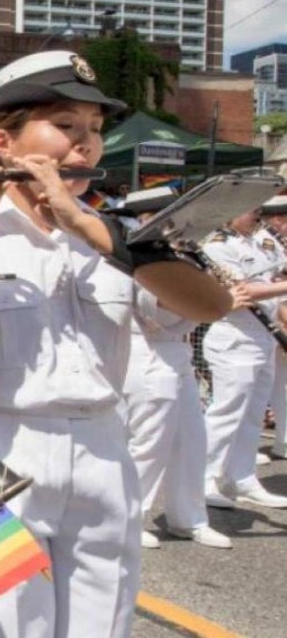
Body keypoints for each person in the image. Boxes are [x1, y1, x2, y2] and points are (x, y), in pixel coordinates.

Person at [0, 50, 232, 637]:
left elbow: (212, 305)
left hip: (105, 448)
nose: (85, 145)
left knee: (103, 625)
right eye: (65, 127)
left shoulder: (115, 235)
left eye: (95, 131)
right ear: (4, 143)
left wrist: (86, 227)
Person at [113, 188, 235, 550]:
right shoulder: (135, 254)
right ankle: (131, 518)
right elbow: (157, 316)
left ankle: (189, 517)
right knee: (149, 443)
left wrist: (211, 291)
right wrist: (210, 302)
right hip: (149, 353)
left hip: (176, 354)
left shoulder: (181, 254)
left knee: (190, 441)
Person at [200, 206, 287, 510]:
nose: (259, 216)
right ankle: (205, 479)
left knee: (252, 414)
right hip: (235, 338)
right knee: (226, 414)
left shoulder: (265, 240)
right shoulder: (217, 246)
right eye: (252, 210)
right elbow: (241, 290)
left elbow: (277, 273)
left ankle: (243, 478)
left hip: (264, 335)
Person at [261, 196, 287, 460]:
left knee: (278, 385)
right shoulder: (266, 243)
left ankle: (284, 439)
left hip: (275, 322)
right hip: (272, 322)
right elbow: (272, 292)